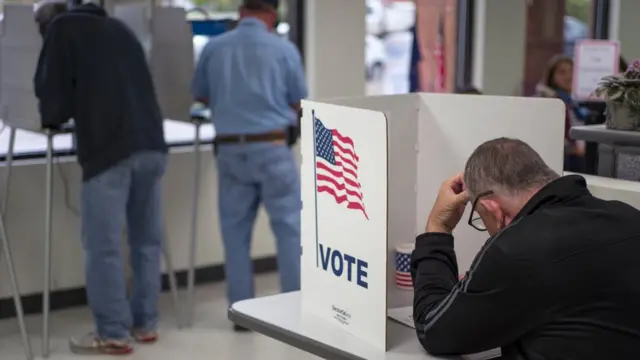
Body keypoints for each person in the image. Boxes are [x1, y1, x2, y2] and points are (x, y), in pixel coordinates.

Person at [412, 138, 640, 359]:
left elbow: (432, 328)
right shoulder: (629, 217)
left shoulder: (516, 248)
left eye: (481, 218)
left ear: (493, 209)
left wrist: (437, 228)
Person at [34, 1, 168, 355]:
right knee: (146, 242)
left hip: (109, 150)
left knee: (103, 246)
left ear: (44, 25)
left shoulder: (62, 28)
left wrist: (52, 117)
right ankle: (146, 324)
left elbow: (51, 96)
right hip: (152, 144)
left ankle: (112, 333)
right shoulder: (120, 29)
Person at [191, 0, 306, 330]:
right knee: (288, 230)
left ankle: (242, 314)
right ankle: (293, 310)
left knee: (235, 234)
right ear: (271, 14)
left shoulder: (214, 48)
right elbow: (298, 100)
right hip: (272, 147)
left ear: (241, 12)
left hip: (230, 151)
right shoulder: (283, 50)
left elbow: (201, 95)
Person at [534, 55, 586, 172]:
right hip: (560, 160)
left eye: (572, 71)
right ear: (552, 76)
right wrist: (573, 149)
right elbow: (548, 133)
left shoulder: (574, 101)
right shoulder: (548, 101)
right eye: (562, 72)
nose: (569, 76)